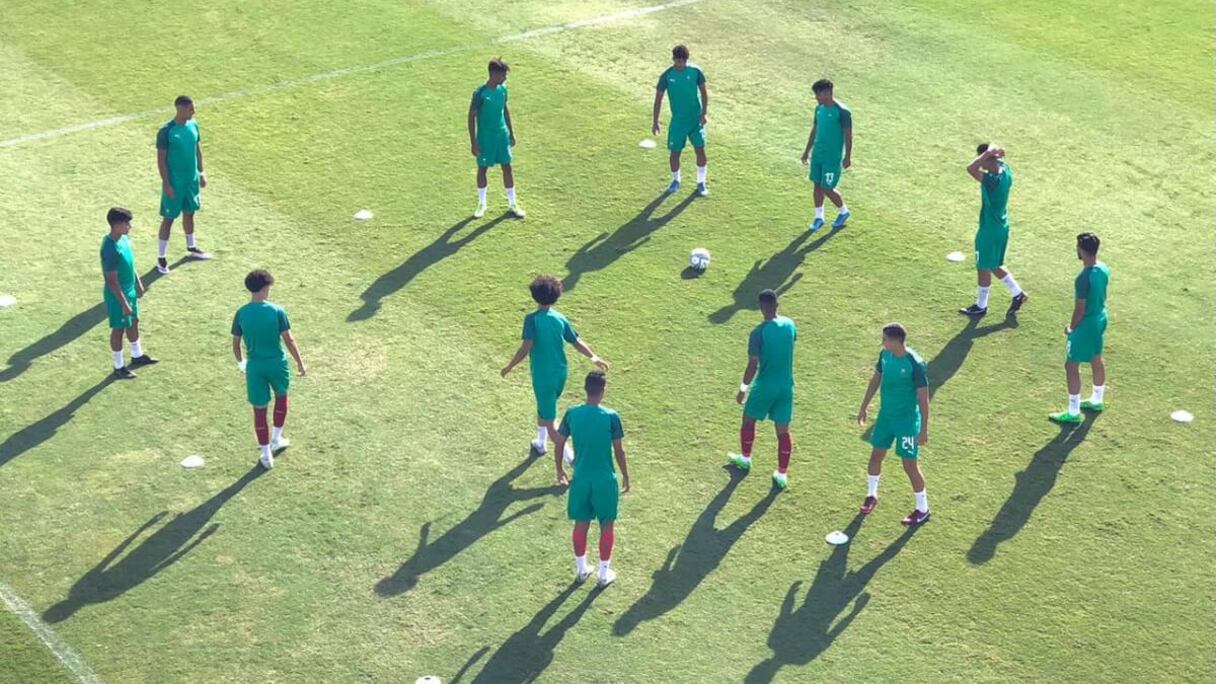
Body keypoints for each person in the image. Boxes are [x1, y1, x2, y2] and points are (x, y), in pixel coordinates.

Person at [502, 276, 608, 461]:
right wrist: (594, 357)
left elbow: (526, 347)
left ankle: (572, 459)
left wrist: (509, 366)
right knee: (545, 408)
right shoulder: (559, 318)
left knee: (551, 422)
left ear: (534, 296)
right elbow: (576, 341)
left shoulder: (532, 320)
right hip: (560, 373)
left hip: (543, 377)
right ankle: (540, 442)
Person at [553, 371, 630, 587]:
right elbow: (619, 451)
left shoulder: (572, 413)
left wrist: (559, 469)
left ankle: (582, 570)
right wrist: (626, 475)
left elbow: (559, 442)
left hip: (580, 479)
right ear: (603, 391)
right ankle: (603, 575)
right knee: (607, 524)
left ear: (585, 389)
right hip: (605, 480)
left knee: (581, 523)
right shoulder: (611, 416)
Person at [857, 323, 931, 526]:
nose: (883, 343)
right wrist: (863, 407)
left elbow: (923, 398)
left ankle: (923, 509)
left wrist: (923, 429)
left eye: (885, 340)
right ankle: (871, 495)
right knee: (876, 455)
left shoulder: (915, 363)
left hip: (907, 423)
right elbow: (875, 380)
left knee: (909, 465)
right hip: (885, 419)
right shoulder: (884, 355)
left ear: (897, 341)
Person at [232, 269, 306, 469]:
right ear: (265, 288)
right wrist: (300, 362)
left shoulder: (241, 313)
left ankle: (266, 455)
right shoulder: (277, 311)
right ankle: (276, 438)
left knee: (259, 410)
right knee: (281, 398)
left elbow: (236, 344)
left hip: (255, 367)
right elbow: (289, 340)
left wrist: (241, 363)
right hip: (277, 364)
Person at [728, 289, 797, 490]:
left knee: (748, 419)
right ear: (777, 304)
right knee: (783, 431)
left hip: (765, 386)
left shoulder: (758, 333)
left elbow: (753, 365)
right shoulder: (790, 325)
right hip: (786, 387)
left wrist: (743, 389)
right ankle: (782, 474)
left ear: (760, 308)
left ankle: (745, 459)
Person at [961, 143, 1028, 316]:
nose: (980, 163)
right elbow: (996, 160)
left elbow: (970, 169)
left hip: (989, 231)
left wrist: (985, 155)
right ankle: (1018, 293)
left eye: (981, 158)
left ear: (987, 159)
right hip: (1002, 227)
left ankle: (981, 306)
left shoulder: (992, 181)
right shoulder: (1006, 171)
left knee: (983, 266)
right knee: (994, 264)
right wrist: (993, 153)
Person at [1050, 232, 1110, 423]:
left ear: (1081, 250)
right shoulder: (1103, 268)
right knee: (1096, 358)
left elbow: (1080, 309)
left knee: (1071, 365)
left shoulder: (1083, 278)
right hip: (1100, 317)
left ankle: (1073, 412)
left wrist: (1071, 328)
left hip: (1086, 324)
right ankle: (1097, 400)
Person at [101, 207, 157, 379]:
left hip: (130, 291)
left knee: (134, 322)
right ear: (117, 225)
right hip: (118, 296)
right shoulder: (110, 249)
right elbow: (111, 281)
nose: (129, 226)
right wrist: (124, 303)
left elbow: (130, 263)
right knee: (119, 329)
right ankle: (118, 366)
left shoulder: (124, 239)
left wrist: (138, 282)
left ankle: (137, 355)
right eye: (127, 223)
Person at [156, 95, 209, 274]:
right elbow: (161, 160)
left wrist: (201, 173)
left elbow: (197, 150)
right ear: (180, 109)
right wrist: (167, 184)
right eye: (191, 108)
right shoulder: (166, 131)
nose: (194, 111)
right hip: (175, 183)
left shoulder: (194, 125)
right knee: (169, 218)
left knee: (190, 212)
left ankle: (191, 247)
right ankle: (161, 258)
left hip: (191, 181)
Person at [469, 58, 524, 219]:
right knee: (483, 169)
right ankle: (482, 204)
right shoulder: (480, 94)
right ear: (493, 74)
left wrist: (511, 133)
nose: (505, 78)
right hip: (485, 138)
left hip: (502, 136)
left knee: (507, 167)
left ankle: (513, 204)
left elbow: (505, 110)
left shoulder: (503, 90)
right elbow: (471, 117)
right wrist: (473, 142)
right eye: (503, 75)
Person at [652, 44, 709, 197]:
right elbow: (658, 99)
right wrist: (655, 121)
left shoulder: (695, 72)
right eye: (677, 61)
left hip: (695, 120)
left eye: (682, 62)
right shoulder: (667, 76)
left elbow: (704, 92)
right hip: (678, 122)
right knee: (674, 153)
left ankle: (701, 182)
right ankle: (676, 180)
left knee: (700, 150)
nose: (679, 64)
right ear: (673, 59)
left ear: (686, 60)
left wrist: (704, 113)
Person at [800, 78, 852, 232]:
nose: (816, 98)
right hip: (818, 154)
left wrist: (847, 156)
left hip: (832, 157)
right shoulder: (819, 109)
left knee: (827, 188)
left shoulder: (842, 112)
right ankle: (819, 217)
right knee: (816, 184)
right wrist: (806, 152)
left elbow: (848, 136)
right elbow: (815, 130)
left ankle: (844, 211)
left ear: (827, 93)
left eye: (818, 94)